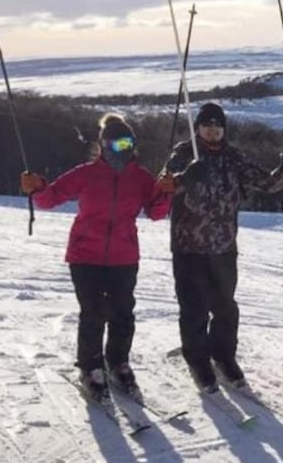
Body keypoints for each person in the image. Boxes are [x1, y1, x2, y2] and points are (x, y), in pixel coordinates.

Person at [19, 113, 173, 403]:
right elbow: (50, 198)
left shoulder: (141, 177)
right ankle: (91, 368)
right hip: (85, 255)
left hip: (124, 256)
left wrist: (165, 194)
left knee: (122, 313)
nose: (120, 148)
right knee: (93, 313)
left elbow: (156, 212)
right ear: (102, 145)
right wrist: (37, 187)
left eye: (126, 142)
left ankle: (117, 362)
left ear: (133, 144)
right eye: (113, 143)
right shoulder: (86, 173)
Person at [161, 102, 283, 392]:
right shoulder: (184, 153)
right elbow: (163, 186)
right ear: (198, 127)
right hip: (189, 247)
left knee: (225, 308)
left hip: (223, 246)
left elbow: (266, 183)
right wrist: (185, 177)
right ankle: (198, 361)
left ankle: (224, 357)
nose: (212, 130)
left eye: (217, 125)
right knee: (194, 309)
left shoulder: (232, 157)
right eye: (207, 124)